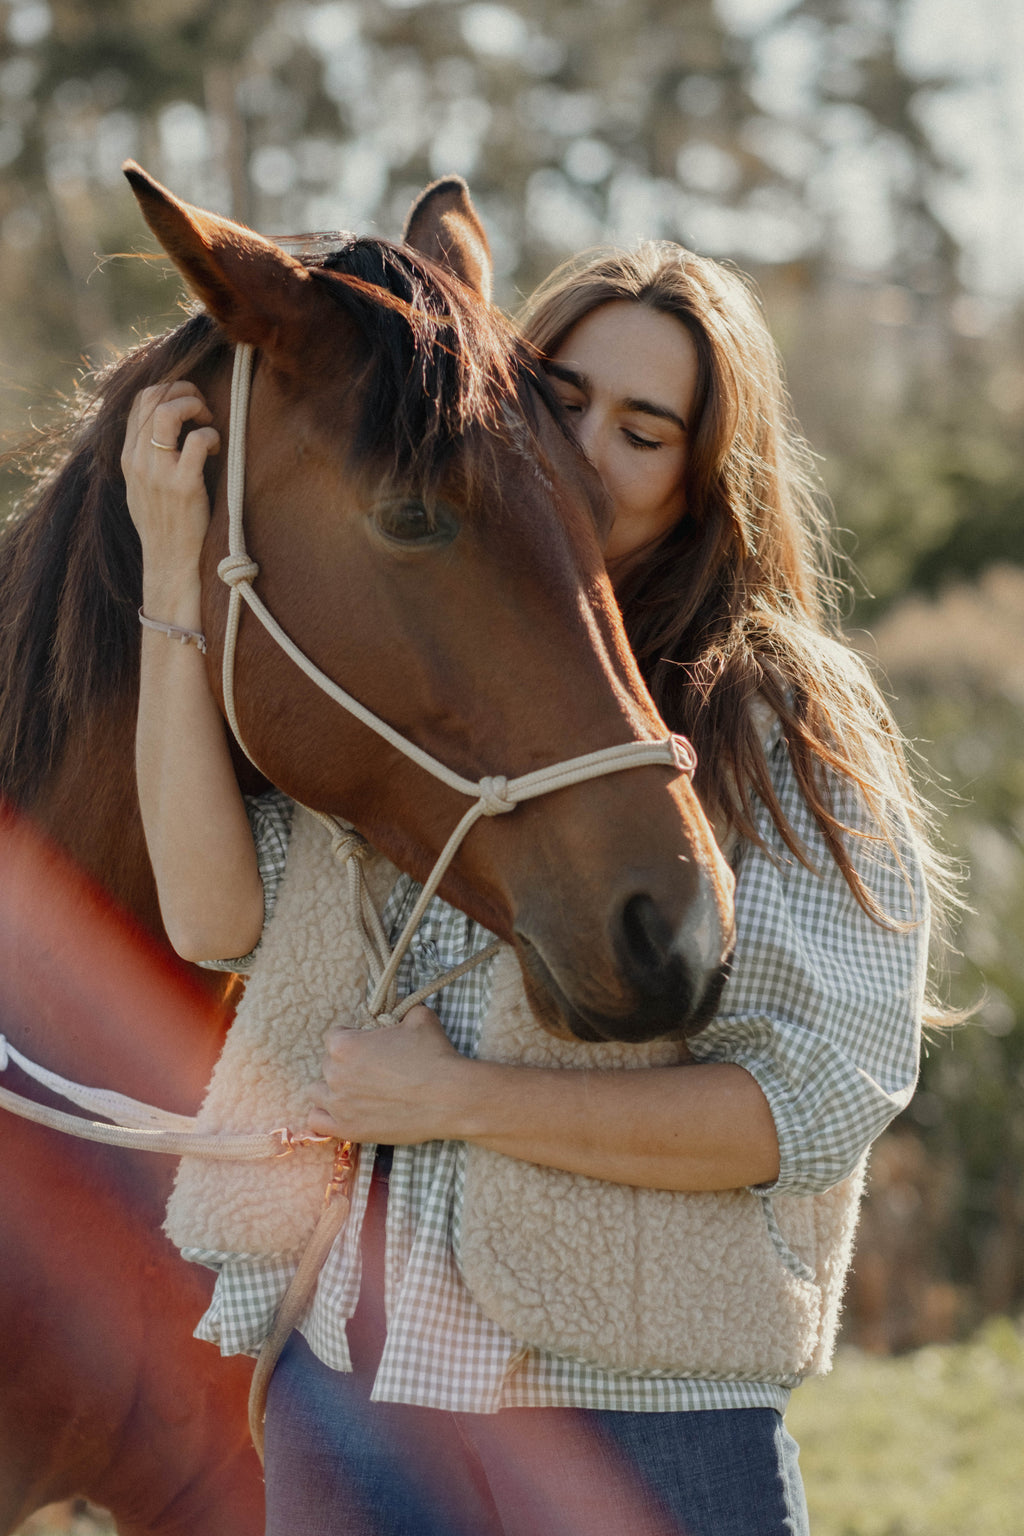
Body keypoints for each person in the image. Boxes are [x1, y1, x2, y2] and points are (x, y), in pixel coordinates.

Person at [122, 238, 943, 1536]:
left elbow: (818, 1103)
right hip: (350, 1392)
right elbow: (217, 918)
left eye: (645, 429)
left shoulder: (783, 714)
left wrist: (460, 1102)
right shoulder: (406, 652)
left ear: (701, 476)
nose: (591, 448)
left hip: (633, 1419)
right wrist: (178, 571)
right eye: (561, 400)